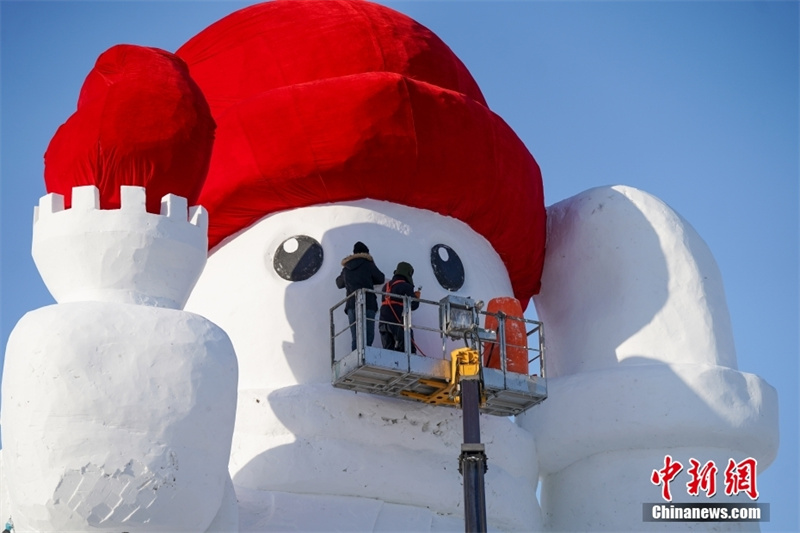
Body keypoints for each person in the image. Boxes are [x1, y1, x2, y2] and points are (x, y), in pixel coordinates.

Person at [335, 241, 385, 350]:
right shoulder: (368, 264)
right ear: (366, 253)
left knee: (356, 336)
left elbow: (339, 283)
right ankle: (366, 356)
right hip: (368, 303)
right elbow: (380, 278)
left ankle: (356, 357)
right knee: (368, 335)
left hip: (352, 304)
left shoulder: (346, 268)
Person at [379, 261, 421, 353]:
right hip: (398, 323)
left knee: (388, 352)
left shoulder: (386, 286)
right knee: (408, 350)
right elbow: (414, 305)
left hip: (383, 323)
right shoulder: (406, 286)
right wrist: (417, 297)